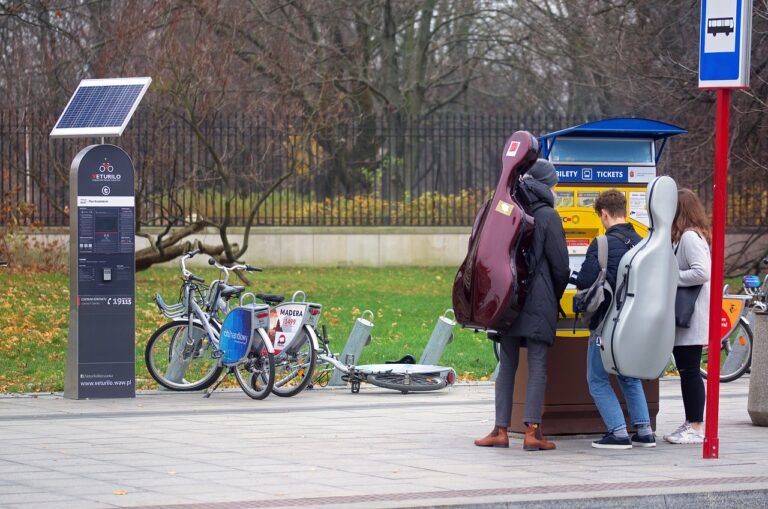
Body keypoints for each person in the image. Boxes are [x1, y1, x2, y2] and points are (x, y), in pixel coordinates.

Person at [474, 159, 570, 451]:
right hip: (538, 298)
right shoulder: (548, 216)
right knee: (537, 364)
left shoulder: (511, 209)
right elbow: (560, 266)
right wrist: (554, 293)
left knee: (508, 364)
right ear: (547, 186)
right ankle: (532, 433)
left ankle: (500, 429)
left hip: (508, 297)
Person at [573, 189, 655, 449]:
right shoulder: (642, 241)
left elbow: (586, 279)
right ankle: (644, 431)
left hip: (607, 323)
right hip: (634, 323)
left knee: (597, 378)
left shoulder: (602, 243)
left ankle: (618, 432)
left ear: (604, 214)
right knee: (628, 375)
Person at [664, 189, 711, 444]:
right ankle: (691, 421)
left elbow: (702, 272)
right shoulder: (685, 237)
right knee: (686, 370)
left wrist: (673, 278)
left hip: (692, 315)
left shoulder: (690, 238)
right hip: (688, 316)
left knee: (690, 371)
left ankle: (695, 426)